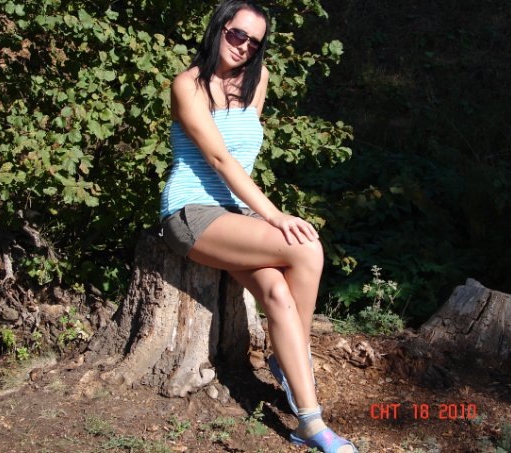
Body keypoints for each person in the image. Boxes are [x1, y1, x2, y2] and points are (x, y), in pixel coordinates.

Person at [160, 1, 358, 452]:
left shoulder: (257, 80)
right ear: (218, 29)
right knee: (306, 248)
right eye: (237, 34)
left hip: (236, 215)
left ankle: (308, 422)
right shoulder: (188, 85)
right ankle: (295, 362)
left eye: (254, 41)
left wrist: (257, 214)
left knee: (278, 293)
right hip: (191, 212)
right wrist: (274, 215)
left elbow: (245, 153)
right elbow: (219, 158)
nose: (243, 46)